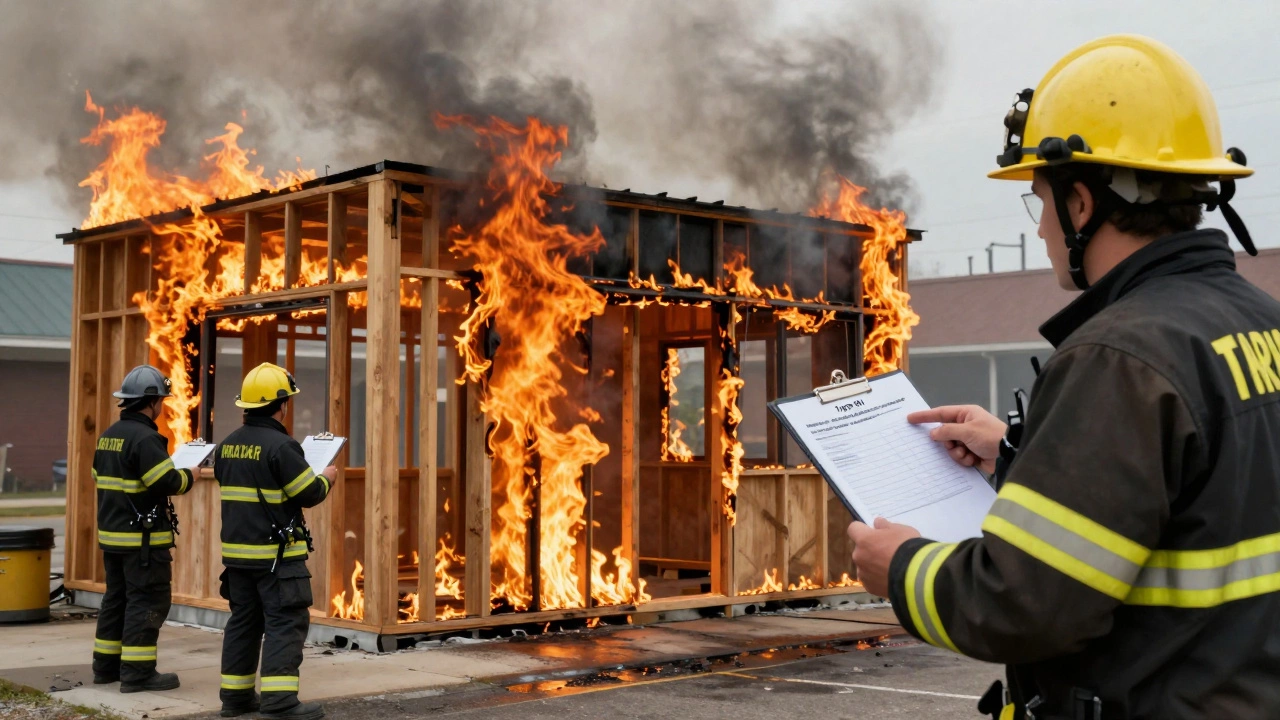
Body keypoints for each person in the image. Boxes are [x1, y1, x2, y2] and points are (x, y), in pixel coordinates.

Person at [847, 34, 1280, 719]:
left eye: (1040, 200)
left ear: (1082, 204)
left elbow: (1023, 604)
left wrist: (901, 565)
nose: (1043, 226)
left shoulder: (1119, 358)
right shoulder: (1261, 322)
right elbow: (1195, 495)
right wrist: (1021, 453)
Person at [215, 362, 336, 720]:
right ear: (281, 404)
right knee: (285, 622)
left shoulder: (227, 446)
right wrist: (327, 477)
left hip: (237, 559)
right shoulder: (283, 446)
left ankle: (235, 699)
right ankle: (280, 701)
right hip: (276, 559)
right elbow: (308, 493)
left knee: (243, 623)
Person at [91, 364, 198, 692]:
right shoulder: (147, 438)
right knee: (148, 601)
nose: (162, 407)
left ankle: (105, 667)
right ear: (151, 402)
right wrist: (189, 473)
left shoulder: (108, 436)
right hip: (142, 542)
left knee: (117, 599)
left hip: (113, 537)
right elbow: (165, 481)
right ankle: (138, 673)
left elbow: (100, 479)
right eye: (161, 401)